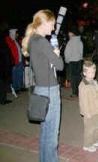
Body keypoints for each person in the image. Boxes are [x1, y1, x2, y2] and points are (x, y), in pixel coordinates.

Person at [22, 9, 64, 162]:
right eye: (52, 25)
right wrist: (57, 55)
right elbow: (60, 66)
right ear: (44, 23)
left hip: (40, 89)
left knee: (45, 134)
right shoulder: (41, 41)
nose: (53, 28)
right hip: (49, 91)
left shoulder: (33, 40)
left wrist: (51, 57)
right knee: (52, 136)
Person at [79, 60, 98, 152]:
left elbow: (97, 93)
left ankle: (93, 140)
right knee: (89, 128)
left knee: (96, 126)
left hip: (95, 109)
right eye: (89, 72)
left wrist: (96, 85)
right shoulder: (83, 85)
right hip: (89, 111)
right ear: (84, 73)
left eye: (93, 72)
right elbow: (83, 101)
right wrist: (86, 112)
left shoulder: (93, 81)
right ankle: (87, 144)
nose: (92, 74)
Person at [64, 27, 83, 97]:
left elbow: (67, 53)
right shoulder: (80, 41)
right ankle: (80, 91)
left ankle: (75, 92)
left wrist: (67, 60)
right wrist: (80, 58)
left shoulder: (70, 42)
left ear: (72, 33)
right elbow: (81, 51)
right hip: (79, 61)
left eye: (69, 32)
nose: (68, 34)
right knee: (78, 77)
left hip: (72, 62)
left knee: (73, 78)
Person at [6, 28, 24, 94]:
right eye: (16, 33)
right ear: (12, 33)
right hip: (14, 62)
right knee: (14, 76)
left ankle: (19, 88)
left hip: (20, 61)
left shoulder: (16, 41)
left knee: (19, 75)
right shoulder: (8, 41)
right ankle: (14, 89)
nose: (17, 34)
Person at [0, 30, 13, 105]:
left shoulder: (3, 44)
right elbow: (7, 57)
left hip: (2, 67)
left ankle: (2, 99)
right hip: (4, 68)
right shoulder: (3, 45)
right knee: (3, 84)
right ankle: (3, 99)